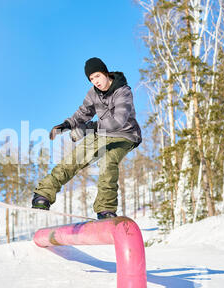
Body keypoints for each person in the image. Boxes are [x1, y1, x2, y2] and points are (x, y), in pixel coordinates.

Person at [32, 57, 142, 219]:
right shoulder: (93, 93)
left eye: (97, 76)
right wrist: (66, 125)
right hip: (101, 134)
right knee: (73, 159)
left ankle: (105, 210)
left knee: (108, 162)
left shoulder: (123, 91)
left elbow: (118, 121)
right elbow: (83, 113)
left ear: (105, 73)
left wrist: (87, 128)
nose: (95, 81)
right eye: (91, 79)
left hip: (124, 135)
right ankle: (43, 195)